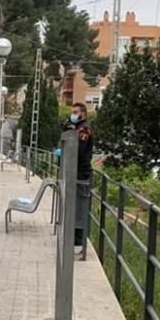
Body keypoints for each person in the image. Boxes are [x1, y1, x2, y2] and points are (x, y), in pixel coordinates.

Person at [63, 102, 94, 249]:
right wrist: (68, 126)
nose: (73, 115)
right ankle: (73, 234)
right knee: (72, 204)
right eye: (72, 112)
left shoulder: (85, 130)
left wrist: (73, 131)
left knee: (80, 206)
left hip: (82, 173)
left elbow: (79, 150)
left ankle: (79, 238)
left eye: (75, 112)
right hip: (73, 171)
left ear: (83, 114)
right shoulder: (76, 128)